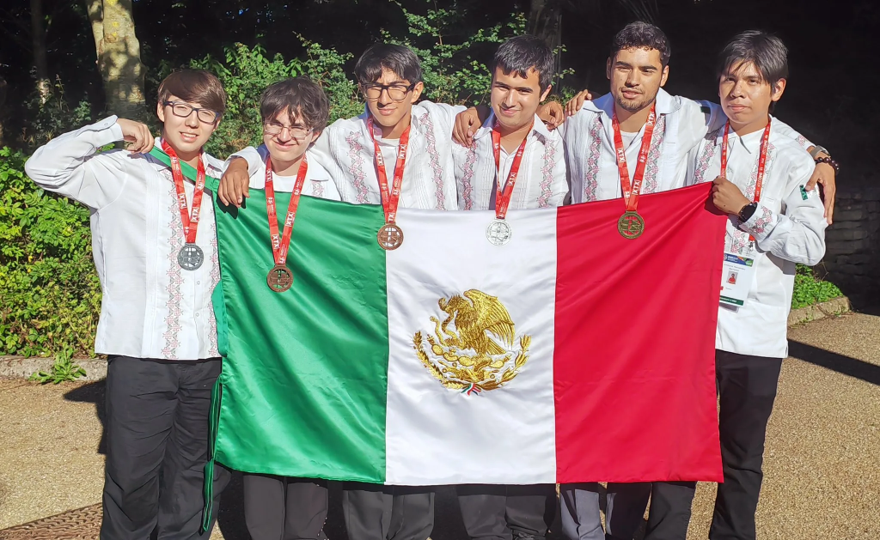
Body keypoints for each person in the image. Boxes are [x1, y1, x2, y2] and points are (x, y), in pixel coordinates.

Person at [454, 21, 833, 540]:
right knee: (598, 419)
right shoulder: (579, 118)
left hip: (672, 311)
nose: (634, 80)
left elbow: (767, 127)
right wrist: (485, 109)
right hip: (598, 301)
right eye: (625, 68)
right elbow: (521, 114)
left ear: (665, 76)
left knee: (673, 436)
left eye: (648, 70)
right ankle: (583, 531)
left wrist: (820, 156)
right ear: (608, 69)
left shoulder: (692, 119)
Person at [221, 43, 463, 540]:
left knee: (419, 413)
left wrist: (553, 106)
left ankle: (416, 529)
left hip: (429, 295)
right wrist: (240, 159)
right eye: (375, 84)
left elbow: (503, 115)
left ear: (417, 90)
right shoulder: (338, 137)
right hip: (363, 298)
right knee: (362, 406)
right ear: (362, 89)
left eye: (397, 85)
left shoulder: (444, 122)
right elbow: (282, 144)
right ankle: (362, 528)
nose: (385, 95)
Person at [25, 69, 230, 539]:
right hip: (140, 354)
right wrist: (111, 128)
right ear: (161, 109)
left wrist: (240, 162)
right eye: (181, 107)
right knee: (132, 479)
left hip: (208, 357)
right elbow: (42, 167)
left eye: (206, 112)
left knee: (194, 479)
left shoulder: (225, 179)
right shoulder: (117, 170)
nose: (192, 121)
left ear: (216, 122)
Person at [643, 30, 828, 540]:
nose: (738, 91)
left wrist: (749, 212)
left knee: (741, 456)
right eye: (730, 78)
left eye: (753, 81)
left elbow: (813, 247)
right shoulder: (698, 132)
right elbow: (637, 95)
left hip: (755, 331)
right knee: (677, 447)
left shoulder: (797, 161)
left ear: (778, 89)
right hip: (691, 325)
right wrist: (564, 106)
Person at [450, 34, 567, 540]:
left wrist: (819, 154)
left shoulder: (562, 141)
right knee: (475, 414)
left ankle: (527, 525)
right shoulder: (461, 136)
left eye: (524, 89)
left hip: (534, 304)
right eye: (501, 86)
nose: (510, 99)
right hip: (475, 303)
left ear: (544, 93)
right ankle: (481, 528)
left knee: (525, 418)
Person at [220, 77, 341, 540]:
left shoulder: (333, 183)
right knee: (264, 431)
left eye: (298, 126)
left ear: (315, 131)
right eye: (274, 124)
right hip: (260, 335)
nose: (285, 135)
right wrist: (240, 158)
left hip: (311, 336)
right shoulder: (240, 179)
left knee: (307, 433)